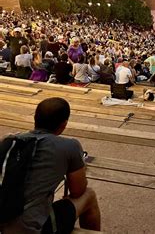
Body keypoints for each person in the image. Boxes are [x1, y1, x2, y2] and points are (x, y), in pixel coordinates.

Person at [1, 97, 101, 233]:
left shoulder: (9, 140)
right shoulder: (69, 146)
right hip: (29, 228)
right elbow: (78, 191)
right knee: (89, 195)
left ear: (35, 118)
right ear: (64, 124)